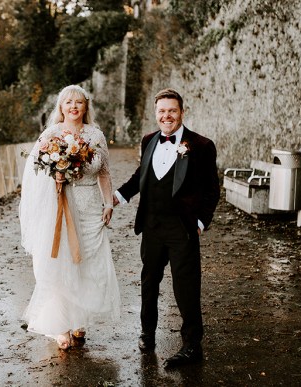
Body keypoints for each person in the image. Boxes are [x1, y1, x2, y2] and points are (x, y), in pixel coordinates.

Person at [113, 88, 220, 368]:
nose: (167, 116)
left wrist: (200, 222)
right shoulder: (148, 140)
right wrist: (118, 196)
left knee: (186, 287)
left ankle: (192, 346)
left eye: (172, 110)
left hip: (182, 229)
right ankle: (147, 333)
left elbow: (212, 190)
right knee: (149, 284)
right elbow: (141, 176)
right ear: (156, 113)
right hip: (151, 226)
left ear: (182, 112)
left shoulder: (202, 145)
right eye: (162, 111)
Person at [20, 85, 120, 350]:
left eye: (79, 102)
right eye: (68, 103)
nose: (74, 107)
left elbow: (104, 173)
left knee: (86, 263)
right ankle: (60, 325)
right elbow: (34, 171)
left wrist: (108, 203)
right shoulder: (51, 134)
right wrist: (56, 176)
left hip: (89, 207)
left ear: (86, 107)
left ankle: (78, 319)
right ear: (61, 107)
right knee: (61, 264)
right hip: (60, 206)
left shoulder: (96, 135)